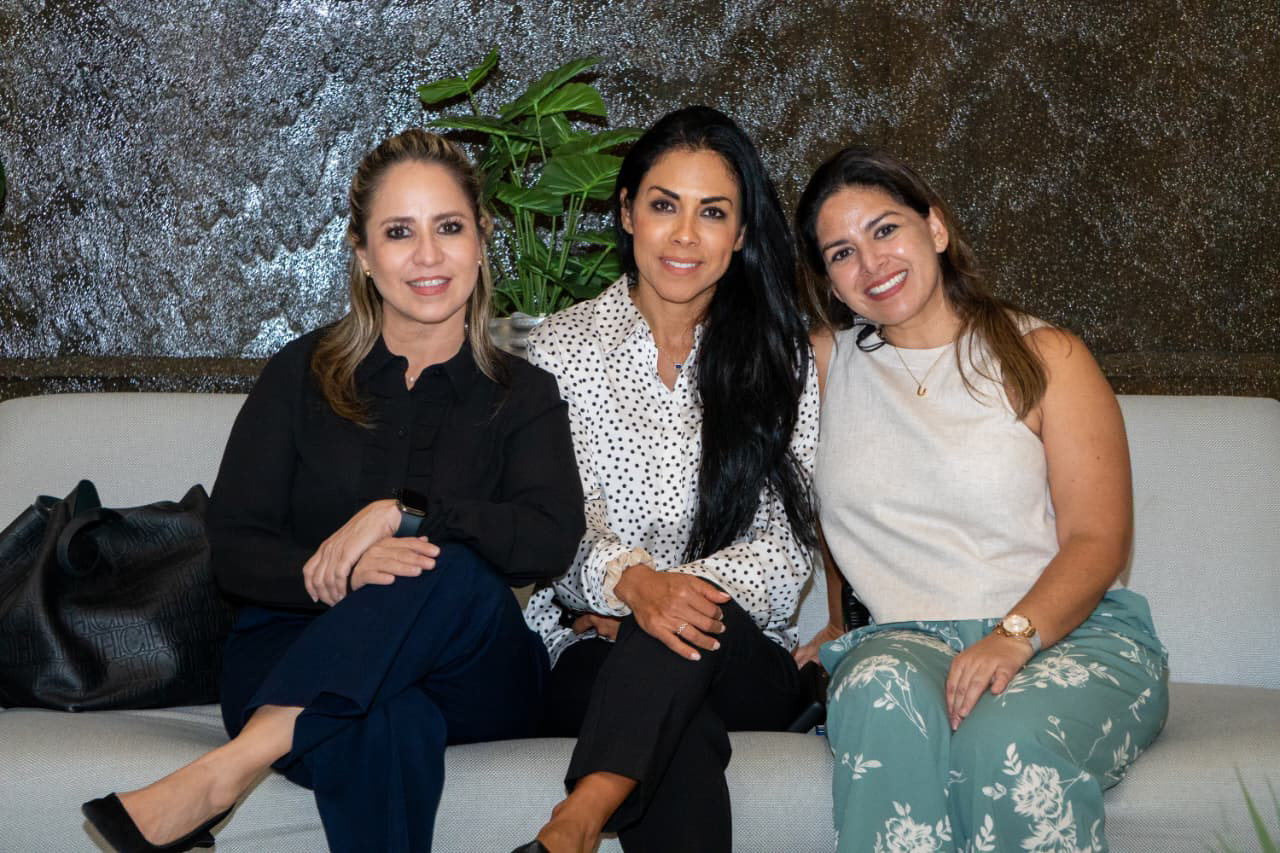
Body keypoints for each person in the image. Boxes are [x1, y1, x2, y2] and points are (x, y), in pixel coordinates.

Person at [80, 129, 585, 853]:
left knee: (445, 562)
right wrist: (345, 571)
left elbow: (548, 537)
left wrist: (407, 518)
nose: (428, 255)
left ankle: (227, 772)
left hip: (471, 673)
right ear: (363, 255)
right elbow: (235, 549)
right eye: (399, 232)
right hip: (295, 643)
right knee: (385, 716)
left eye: (448, 227)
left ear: (480, 240)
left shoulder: (523, 393)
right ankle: (267, 745)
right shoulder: (301, 373)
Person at [792, 145, 1169, 852]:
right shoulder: (822, 367)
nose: (870, 264)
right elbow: (825, 500)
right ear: (831, 284)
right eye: (841, 253)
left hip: (1068, 634)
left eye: (885, 229)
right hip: (906, 642)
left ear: (935, 228)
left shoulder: (1045, 354)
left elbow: (1098, 539)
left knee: (1003, 739)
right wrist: (839, 616)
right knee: (876, 692)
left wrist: (1013, 636)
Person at [514, 106, 821, 853]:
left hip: (739, 654)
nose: (685, 235)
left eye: (712, 212)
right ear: (627, 213)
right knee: (676, 723)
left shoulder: (780, 359)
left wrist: (655, 596)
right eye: (663, 206)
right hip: (588, 651)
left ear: (740, 233)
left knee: (673, 634)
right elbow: (555, 525)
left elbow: (784, 551)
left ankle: (573, 823)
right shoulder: (559, 350)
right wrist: (631, 586)